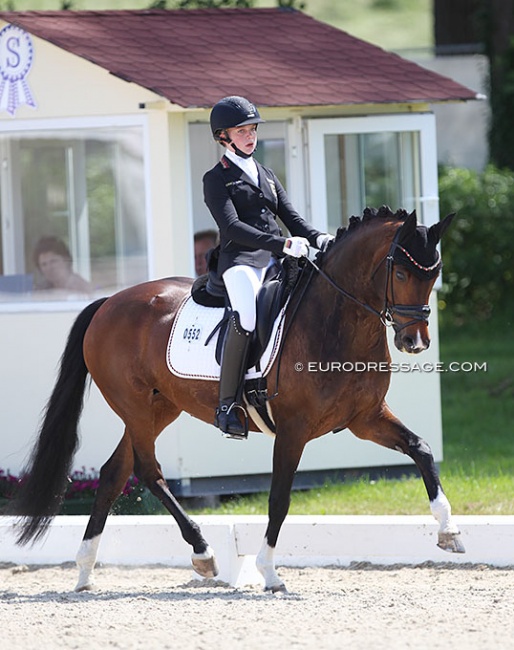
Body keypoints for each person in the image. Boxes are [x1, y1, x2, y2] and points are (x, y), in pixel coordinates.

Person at [203, 95, 333, 440]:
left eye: (253, 129)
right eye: (241, 130)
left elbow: (291, 218)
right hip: (240, 261)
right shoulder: (216, 179)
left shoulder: (266, 174)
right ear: (223, 136)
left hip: (276, 260)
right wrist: (282, 244)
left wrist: (320, 238)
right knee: (245, 315)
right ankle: (228, 405)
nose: (250, 136)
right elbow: (231, 227)